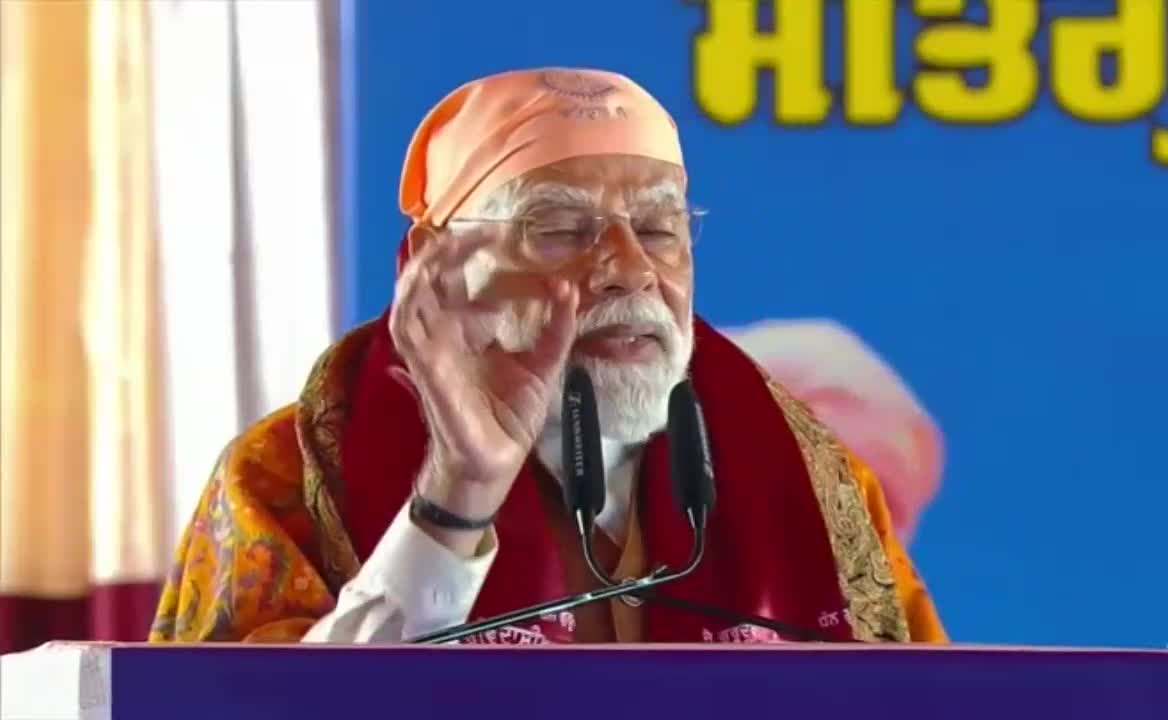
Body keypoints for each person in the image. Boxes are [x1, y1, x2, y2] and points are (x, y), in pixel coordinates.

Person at [149, 68, 947, 645]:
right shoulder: (284, 476)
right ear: (434, 264)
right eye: (561, 230)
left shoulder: (818, 482)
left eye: (660, 229)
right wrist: (456, 499)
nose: (630, 269)